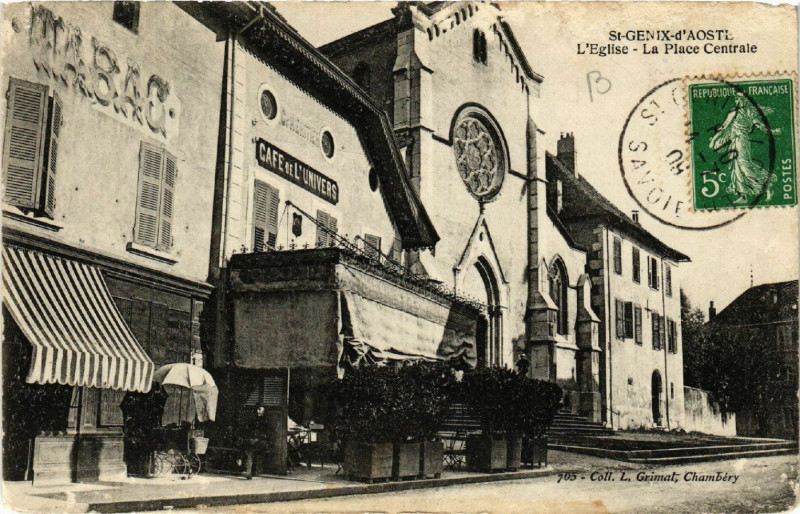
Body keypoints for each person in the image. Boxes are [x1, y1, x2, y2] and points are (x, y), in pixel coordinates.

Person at [240, 405, 270, 479]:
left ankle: (249, 471)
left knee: (249, 451)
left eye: (260, 409)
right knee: (246, 448)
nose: (258, 411)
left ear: (264, 410)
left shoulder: (266, 421)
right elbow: (249, 431)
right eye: (257, 409)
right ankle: (248, 471)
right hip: (253, 441)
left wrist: (257, 439)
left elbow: (268, 434)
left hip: (262, 442)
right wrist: (251, 438)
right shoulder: (254, 420)